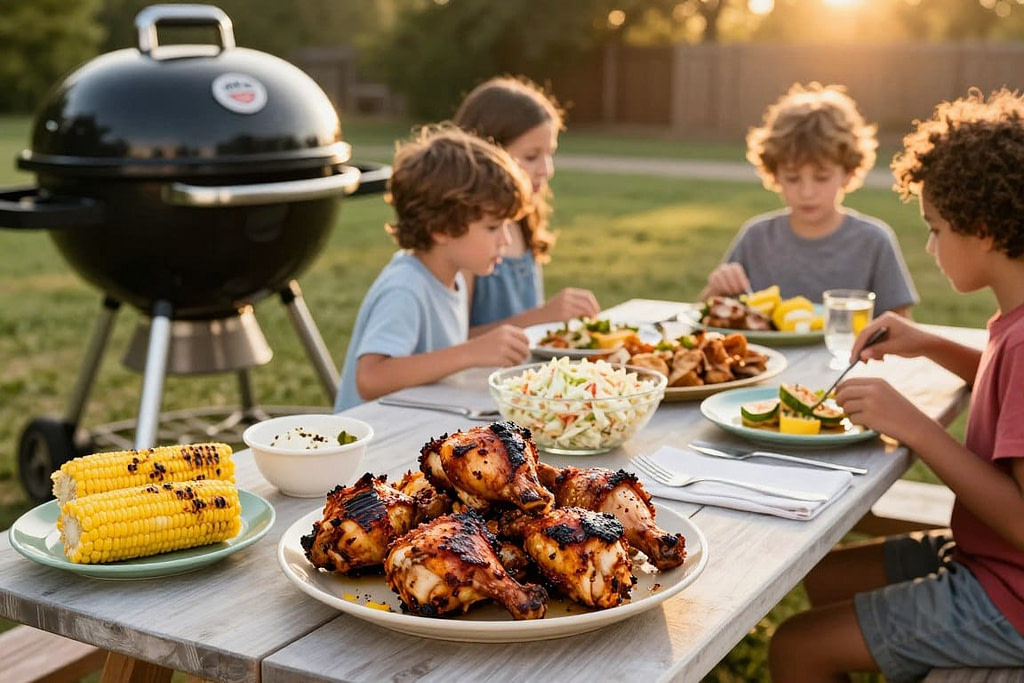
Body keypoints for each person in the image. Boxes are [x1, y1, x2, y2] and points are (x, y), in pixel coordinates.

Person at [770, 87, 1024, 682]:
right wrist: (928, 342)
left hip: (1010, 594)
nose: (931, 247)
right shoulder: (1012, 324)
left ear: (983, 229)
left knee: (797, 647)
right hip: (989, 556)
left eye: (935, 229)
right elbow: (1001, 383)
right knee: (823, 573)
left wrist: (911, 424)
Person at [333, 124, 534, 412]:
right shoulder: (406, 288)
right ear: (441, 228)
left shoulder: (453, 278)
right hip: (377, 442)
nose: (506, 239)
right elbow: (370, 378)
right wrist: (471, 352)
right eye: (493, 227)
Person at [700, 82, 918, 316]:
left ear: (848, 172)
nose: (807, 192)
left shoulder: (874, 241)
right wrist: (716, 289)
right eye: (793, 178)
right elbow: (707, 314)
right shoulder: (756, 238)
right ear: (774, 174)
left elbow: (900, 328)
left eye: (821, 177)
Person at [453, 76, 601, 333]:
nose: (547, 170)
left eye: (550, 154)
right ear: (488, 155)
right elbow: (455, 341)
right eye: (532, 156)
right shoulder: (464, 233)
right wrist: (543, 316)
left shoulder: (523, 220)